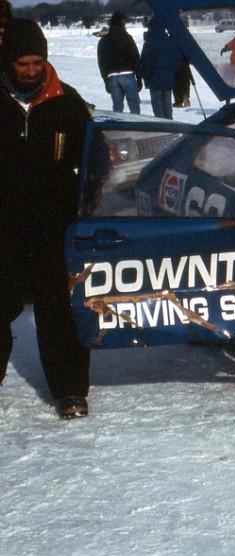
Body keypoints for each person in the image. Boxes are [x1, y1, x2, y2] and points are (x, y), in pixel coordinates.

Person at [0, 18, 93, 419]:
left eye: (38, 61)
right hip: (3, 225)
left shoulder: (66, 102)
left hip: (51, 225)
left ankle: (70, 388)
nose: (32, 70)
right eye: (23, 63)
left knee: (57, 307)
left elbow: (93, 162)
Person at [97, 11, 142, 114]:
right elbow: (135, 57)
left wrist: (105, 80)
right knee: (134, 105)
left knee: (117, 108)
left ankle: (118, 127)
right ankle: (136, 127)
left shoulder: (103, 40)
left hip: (112, 76)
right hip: (128, 74)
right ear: (122, 23)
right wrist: (139, 77)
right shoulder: (126, 37)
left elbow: (102, 62)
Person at [140, 16, 181, 119]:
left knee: (158, 107)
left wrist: (146, 77)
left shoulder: (149, 43)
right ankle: (170, 125)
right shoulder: (171, 41)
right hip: (168, 77)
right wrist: (171, 70)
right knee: (167, 105)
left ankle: (163, 127)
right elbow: (177, 59)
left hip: (154, 79)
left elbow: (145, 62)